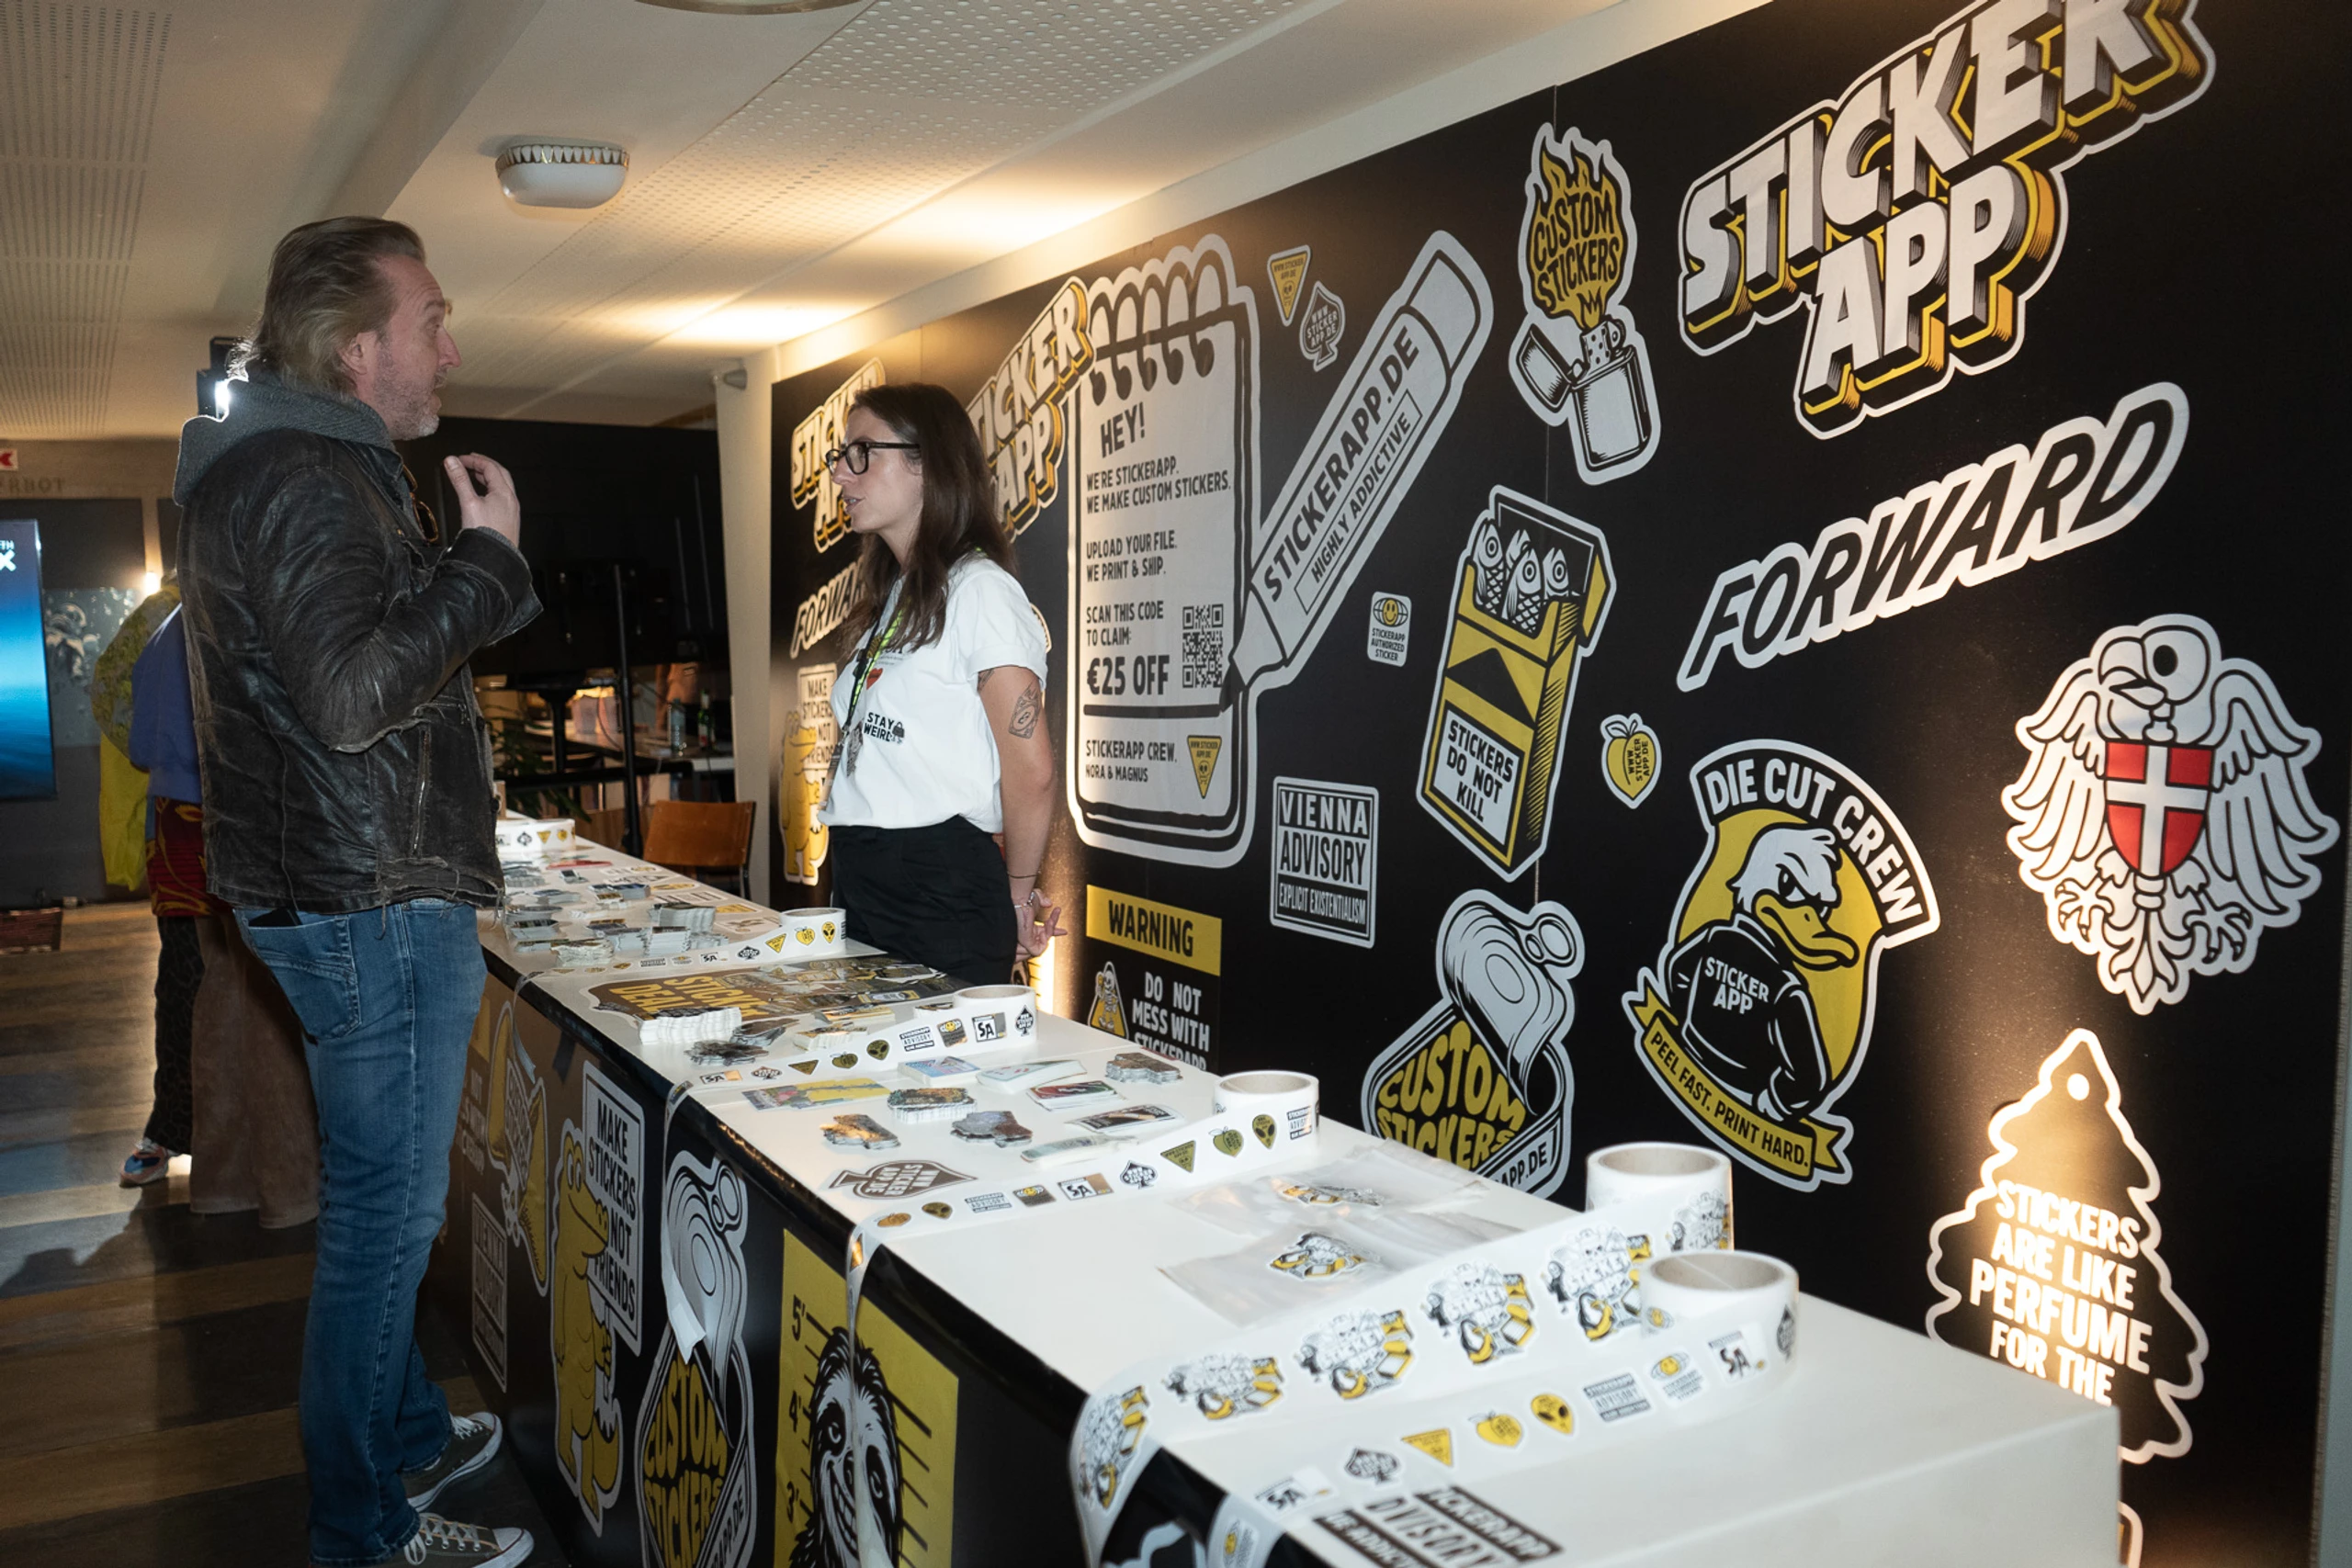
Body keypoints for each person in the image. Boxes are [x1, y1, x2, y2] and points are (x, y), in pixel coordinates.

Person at [175, 216, 540, 1568]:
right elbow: (348, 700)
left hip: (341, 882)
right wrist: (487, 556)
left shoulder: (291, 464)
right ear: (352, 345)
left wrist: (471, 570)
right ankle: (364, 1529)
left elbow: (356, 665)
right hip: (367, 894)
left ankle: (401, 1439)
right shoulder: (305, 474)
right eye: (431, 319)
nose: (452, 346)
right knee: (387, 1223)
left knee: (384, 1204)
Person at [817, 382, 1062, 985]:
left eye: (862, 453)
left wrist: (1016, 897)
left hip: (935, 889)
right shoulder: (899, 593)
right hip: (865, 875)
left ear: (926, 462)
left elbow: (1032, 770)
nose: (841, 475)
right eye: (840, 457)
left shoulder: (980, 589)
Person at [128, 597, 322, 1226]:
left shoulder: (167, 626)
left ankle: (221, 1179)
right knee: (267, 995)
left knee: (213, 991)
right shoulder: (245, 614)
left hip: (173, 824)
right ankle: (289, 1186)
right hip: (237, 815)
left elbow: (139, 744)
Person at [89, 584, 191, 1187]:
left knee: (195, 979)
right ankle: (176, 1127)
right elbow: (110, 690)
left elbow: (109, 694)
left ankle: (195, 1130)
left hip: (191, 818)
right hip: (195, 821)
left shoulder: (164, 614)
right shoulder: (166, 614)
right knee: (191, 978)